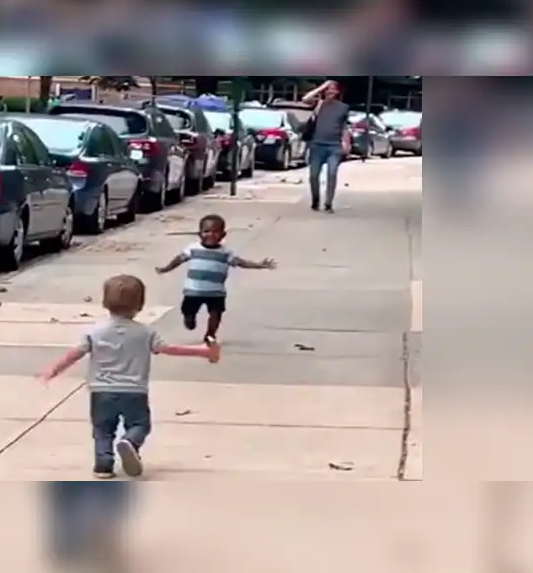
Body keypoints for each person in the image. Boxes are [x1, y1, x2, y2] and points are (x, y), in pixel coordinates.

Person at [37, 274, 220, 479]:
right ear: (140, 304)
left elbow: (74, 354)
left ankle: (103, 465)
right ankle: (130, 442)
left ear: (105, 302)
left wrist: (54, 369)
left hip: (101, 390)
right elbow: (170, 349)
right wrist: (202, 351)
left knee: (103, 429)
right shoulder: (145, 333)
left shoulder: (95, 332)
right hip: (134, 390)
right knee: (140, 424)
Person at [155, 214, 277, 344]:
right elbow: (178, 260)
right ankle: (189, 317)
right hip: (193, 290)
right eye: (206, 231)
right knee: (188, 310)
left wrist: (259, 265)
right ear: (200, 234)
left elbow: (241, 263)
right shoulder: (193, 249)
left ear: (223, 235)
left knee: (216, 314)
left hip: (216, 292)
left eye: (216, 232)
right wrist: (166, 268)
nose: (211, 235)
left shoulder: (225, 253)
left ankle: (210, 334)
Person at [301, 80, 351, 213]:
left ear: (337, 92)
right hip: (317, 145)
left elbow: (344, 127)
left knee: (332, 173)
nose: (330, 91)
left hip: (334, 146)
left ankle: (328, 203)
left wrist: (346, 143)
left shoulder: (343, 107)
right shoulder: (319, 104)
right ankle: (315, 200)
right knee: (313, 175)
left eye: (333, 89)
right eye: (328, 89)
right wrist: (322, 86)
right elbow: (305, 98)